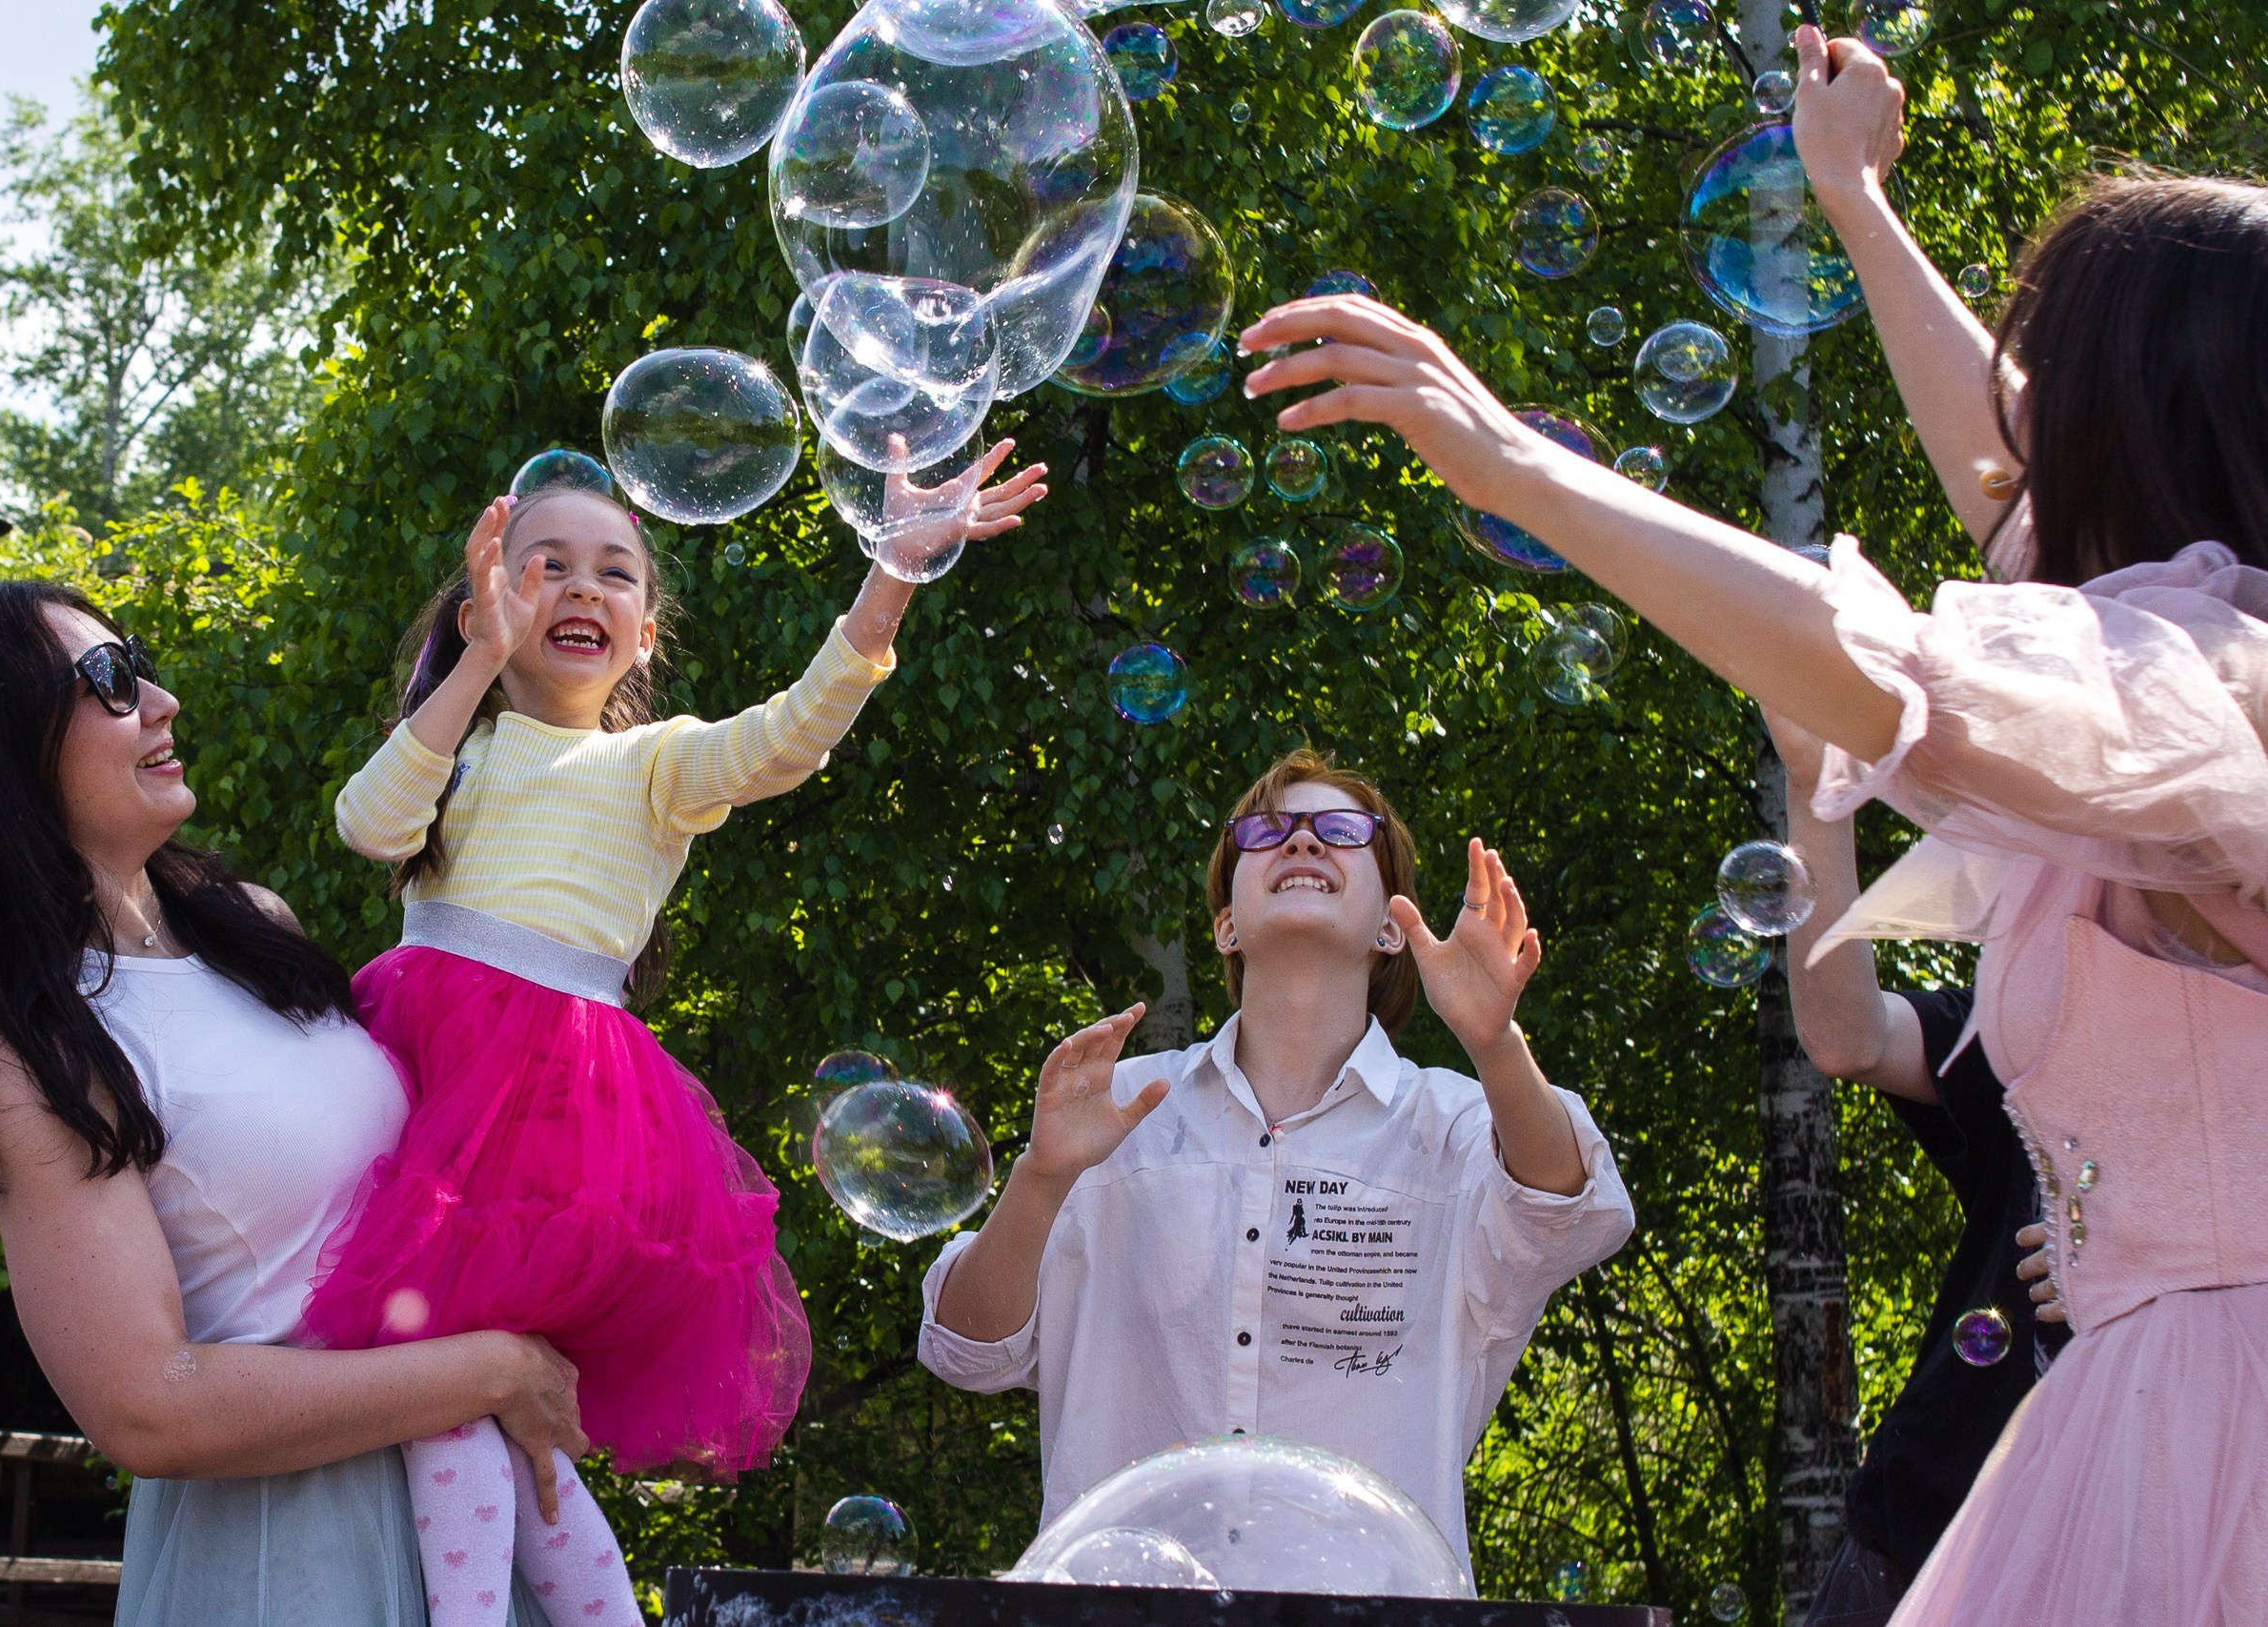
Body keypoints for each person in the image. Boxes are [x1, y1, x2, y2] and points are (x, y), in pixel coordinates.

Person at [1236, 23, 2267, 1615]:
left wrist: (1515, 462)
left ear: (2139, 415)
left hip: (2214, 1438)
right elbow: (2003, 491)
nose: (2011, 427)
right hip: (2144, 1412)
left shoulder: (2221, 695)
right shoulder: (2180, 686)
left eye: (2049, 378)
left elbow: (1907, 662)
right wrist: (1853, 194)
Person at [300, 449, 1045, 1627]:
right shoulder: (457, 750)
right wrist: (476, 663)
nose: (584, 590)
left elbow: (789, 737)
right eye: (546, 568)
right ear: (486, 595)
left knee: (463, 1396)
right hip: (430, 1088)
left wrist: (890, 575)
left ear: (647, 633)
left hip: (552, 1120)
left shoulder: (651, 765)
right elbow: (367, 822)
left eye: (616, 574)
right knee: (483, 1408)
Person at [0, 580, 586, 1626]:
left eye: (139, 661)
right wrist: (487, 1370)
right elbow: (149, 1410)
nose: (161, 701)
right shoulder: (32, 1053)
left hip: (459, 1495)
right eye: (110, 681)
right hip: (288, 1551)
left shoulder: (248, 926)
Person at [919, 748, 1635, 1589]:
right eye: (1269, 831)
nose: (1301, 842)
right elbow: (968, 1352)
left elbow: (1565, 1211)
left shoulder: (1456, 1129)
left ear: (1389, 929)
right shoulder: (1115, 1114)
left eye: (1340, 830)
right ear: (1226, 923)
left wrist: (1493, 1043)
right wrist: (1041, 1177)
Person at [1771, 712, 2068, 1627]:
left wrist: (2164, 1267)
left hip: (2130, 1556)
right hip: (1918, 1543)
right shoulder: (2045, 1022)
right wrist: (1820, 787)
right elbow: (1847, 1033)